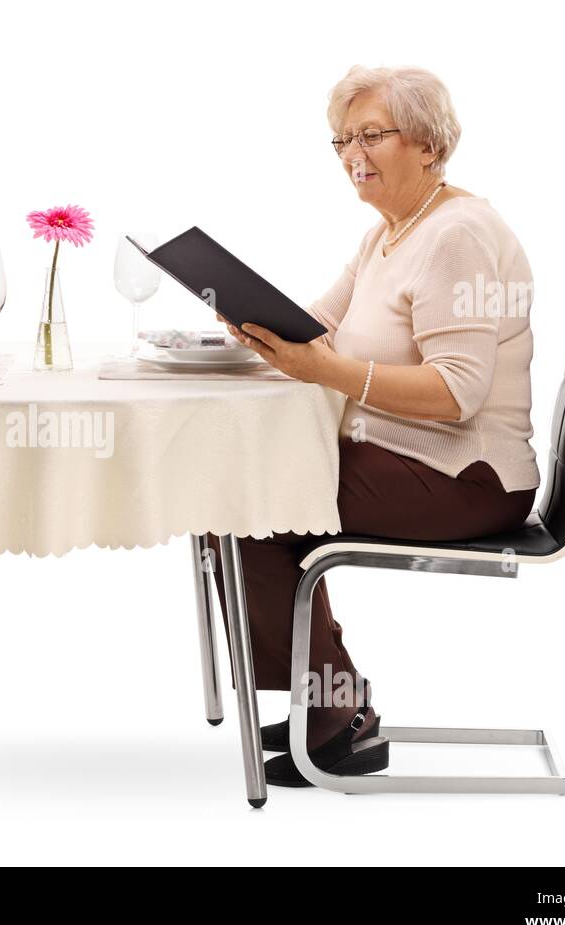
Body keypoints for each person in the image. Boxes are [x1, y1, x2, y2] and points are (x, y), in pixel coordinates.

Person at [211, 64, 539, 787]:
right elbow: (318, 327)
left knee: (246, 501)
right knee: (238, 491)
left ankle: (335, 710)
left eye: (371, 135)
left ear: (427, 144)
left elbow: (458, 393)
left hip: (467, 476)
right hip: (407, 458)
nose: (352, 154)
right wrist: (250, 326)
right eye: (340, 141)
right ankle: (326, 694)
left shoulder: (458, 235)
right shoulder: (388, 234)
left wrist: (321, 370)